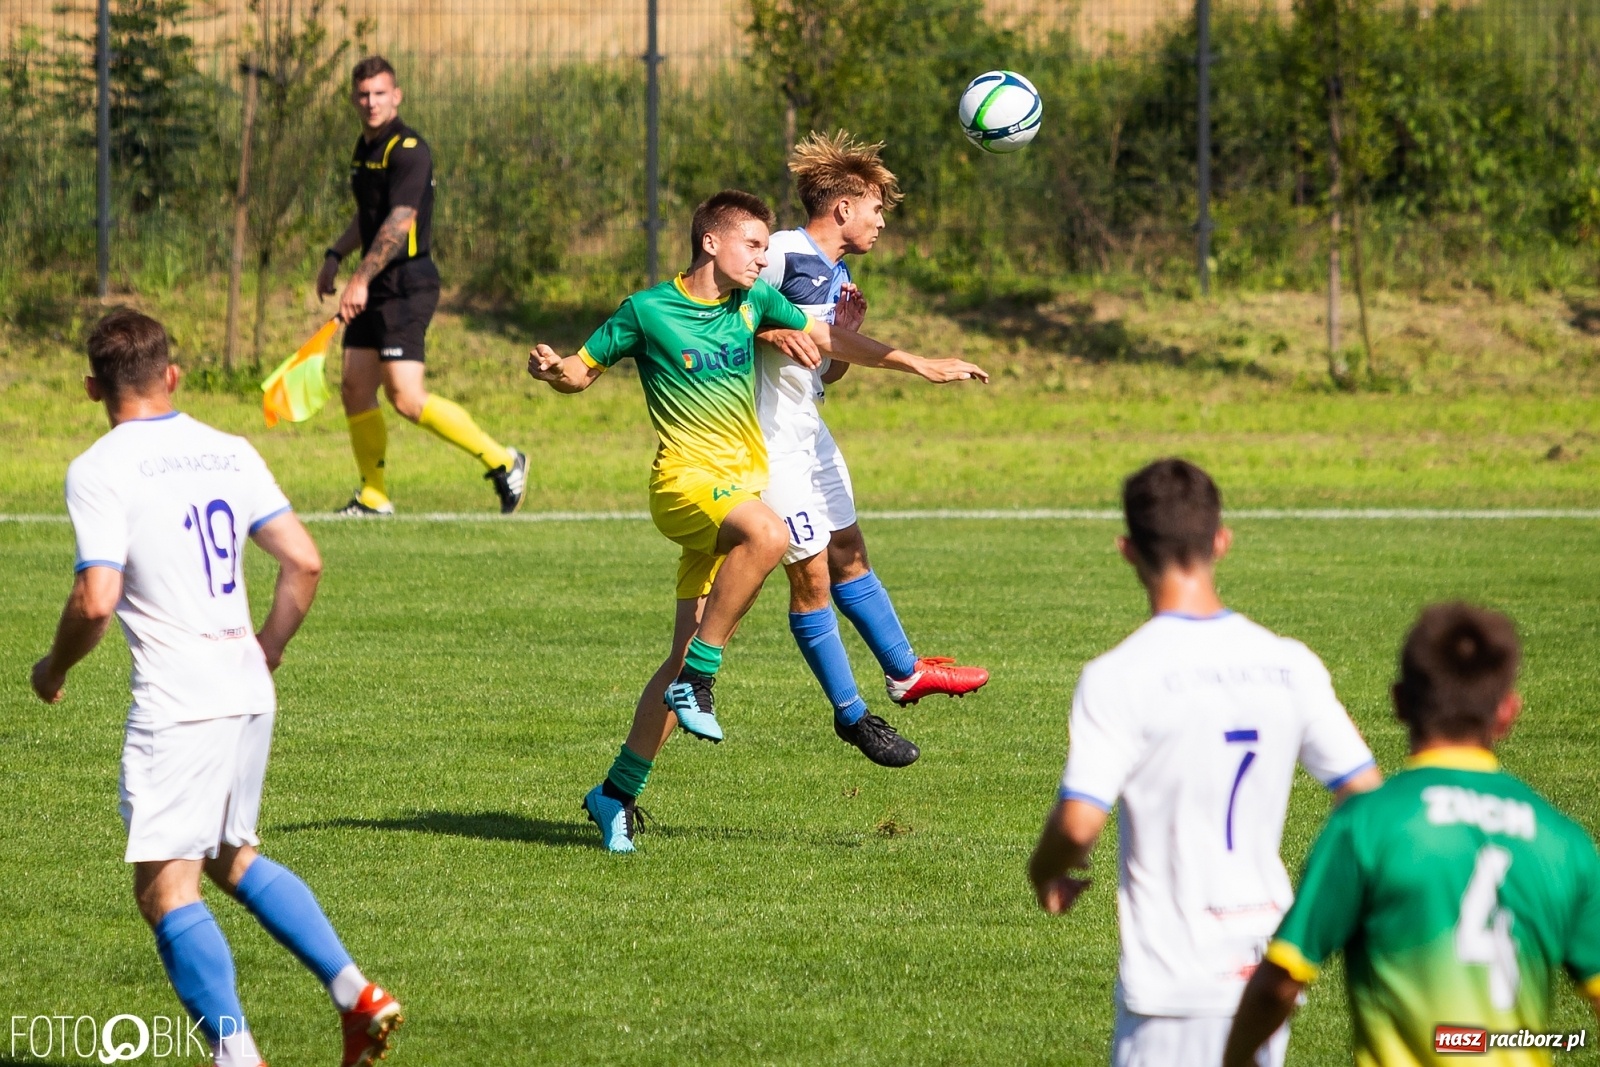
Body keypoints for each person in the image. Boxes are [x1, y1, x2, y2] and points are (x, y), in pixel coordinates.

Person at [526, 190, 987, 852]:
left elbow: (827, 339)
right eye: (752, 245)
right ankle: (702, 679)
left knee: (683, 649)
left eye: (767, 246)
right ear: (710, 243)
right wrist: (552, 372)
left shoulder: (753, 301)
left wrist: (918, 364)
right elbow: (581, 370)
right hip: (684, 484)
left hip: (735, 492)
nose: (762, 257)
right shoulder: (647, 310)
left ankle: (615, 794)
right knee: (771, 535)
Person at [29, 310, 403, 1067]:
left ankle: (238, 1058)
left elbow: (96, 601)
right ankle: (357, 996)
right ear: (172, 375)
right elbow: (303, 561)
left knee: (166, 892)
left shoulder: (99, 468)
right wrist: (268, 647)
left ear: (93, 388)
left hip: (179, 700)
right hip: (244, 684)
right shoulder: (229, 450)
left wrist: (53, 667)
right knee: (232, 855)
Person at [1027, 457, 1382, 1067]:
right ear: (1221, 541)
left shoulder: (1119, 676)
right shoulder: (1289, 663)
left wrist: (1045, 872)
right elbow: (1367, 799)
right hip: (1265, 968)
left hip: (1173, 982)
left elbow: (1079, 824)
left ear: (1127, 551)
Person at [1224, 603, 1600, 1067]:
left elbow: (1280, 982)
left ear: (1400, 702)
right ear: (1507, 713)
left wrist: (1233, 1059)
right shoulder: (1563, 841)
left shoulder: (1369, 824)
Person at [752, 130, 989, 769]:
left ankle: (905, 672)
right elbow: (722, 312)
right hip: (767, 439)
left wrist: (844, 335)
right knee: (810, 575)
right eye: (876, 209)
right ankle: (852, 715)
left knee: (850, 550)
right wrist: (917, 362)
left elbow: (825, 365)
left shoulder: (839, 276)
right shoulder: (779, 253)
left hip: (810, 428)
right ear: (843, 207)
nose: (882, 222)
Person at [317, 54, 527, 516]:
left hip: (406, 282)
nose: (371, 102)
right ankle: (373, 496)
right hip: (375, 281)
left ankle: (503, 460)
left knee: (406, 397)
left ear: (397, 96)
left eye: (379, 93)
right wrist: (335, 255)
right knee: (354, 386)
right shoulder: (364, 148)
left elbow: (399, 222)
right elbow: (369, 217)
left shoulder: (408, 149)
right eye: (363, 94)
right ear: (353, 98)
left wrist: (358, 279)